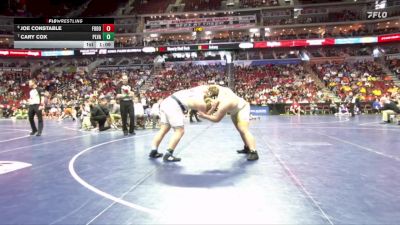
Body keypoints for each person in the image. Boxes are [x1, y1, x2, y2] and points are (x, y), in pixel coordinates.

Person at [149, 86, 213, 162]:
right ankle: (168, 154)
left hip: (166, 102)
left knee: (163, 129)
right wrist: (213, 107)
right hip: (174, 106)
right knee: (180, 131)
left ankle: (153, 151)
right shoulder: (200, 98)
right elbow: (204, 114)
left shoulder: (193, 90)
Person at [198, 85, 259, 161]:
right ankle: (247, 147)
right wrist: (208, 111)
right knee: (240, 130)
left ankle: (253, 152)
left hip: (243, 108)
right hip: (234, 110)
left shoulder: (224, 105)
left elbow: (216, 119)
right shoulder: (222, 90)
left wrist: (205, 116)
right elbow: (214, 87)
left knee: (243, 129)